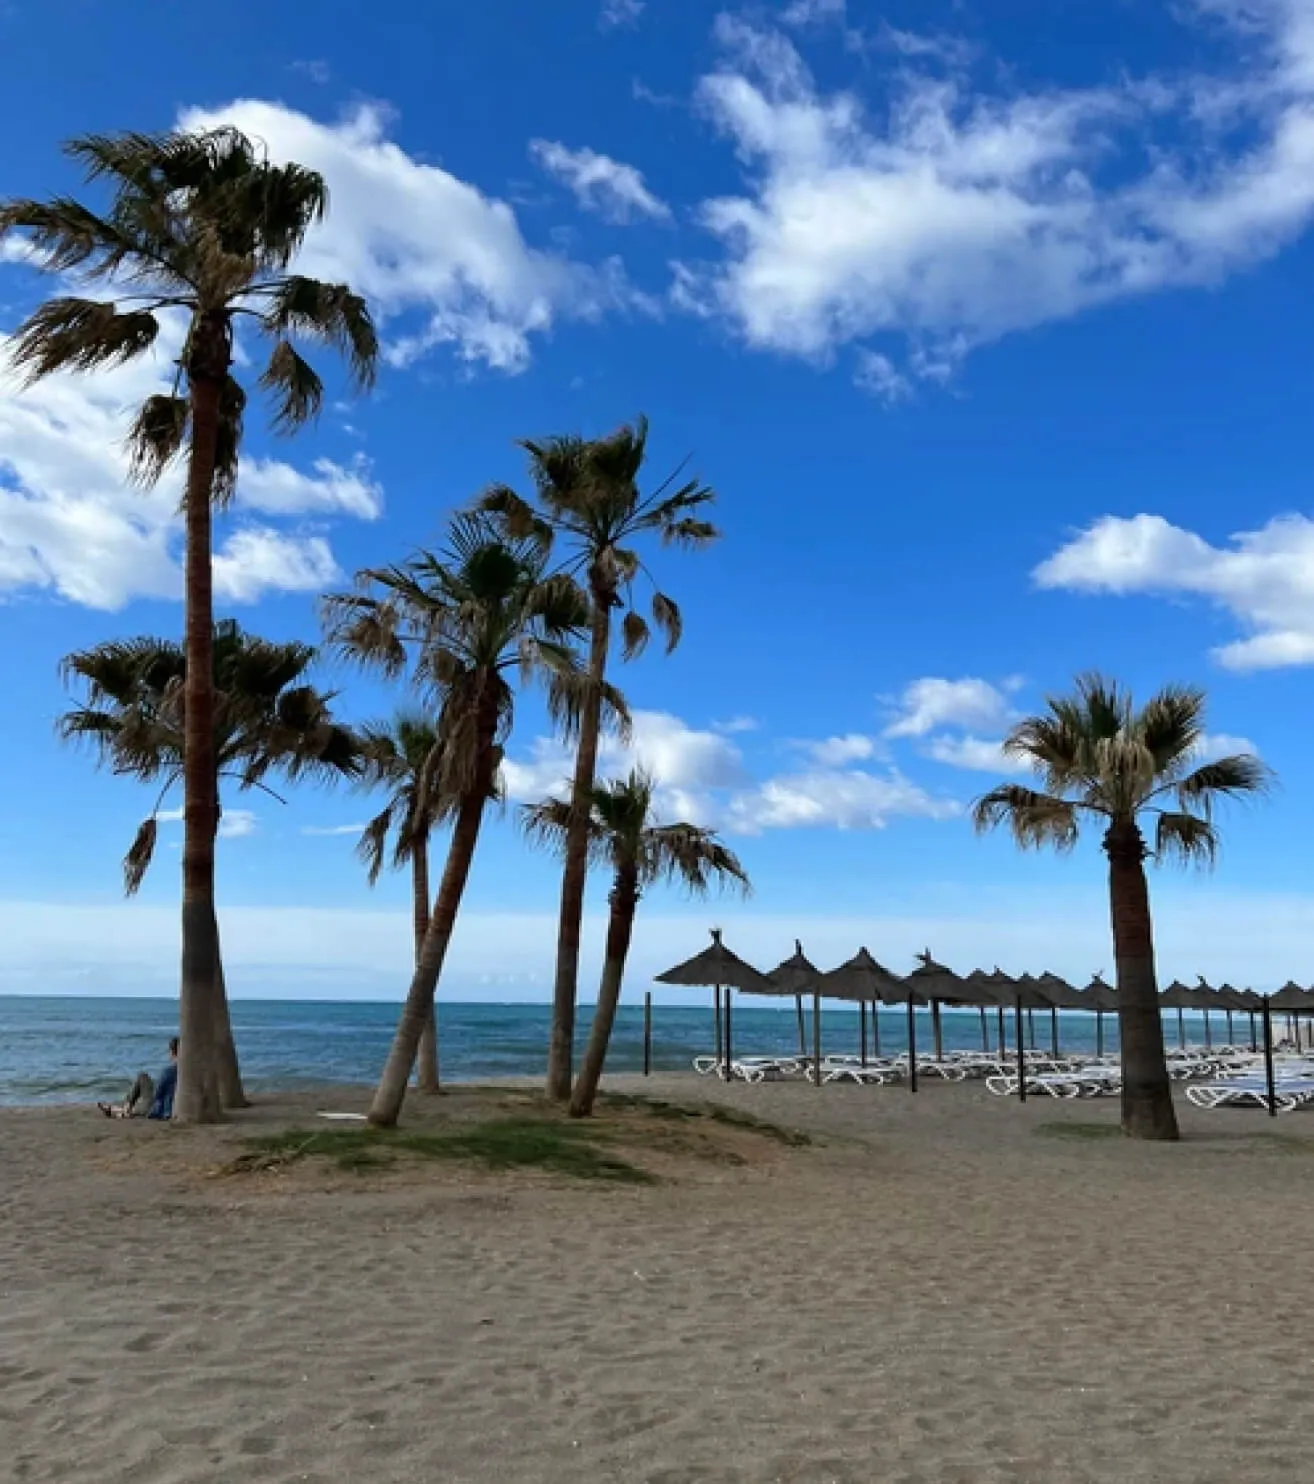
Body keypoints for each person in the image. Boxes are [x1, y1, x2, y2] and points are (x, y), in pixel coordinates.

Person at [98, 1037, 178, 1120]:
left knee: (142, 1077)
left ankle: (124, 1109)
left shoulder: (169, 1071)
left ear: (172, 1052)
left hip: (158, 1110)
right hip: (166, 1106)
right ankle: (121, 1109)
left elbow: (158, 1093)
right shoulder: (185, 1072)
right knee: (144, 1079)